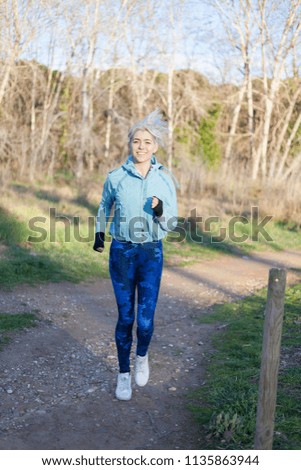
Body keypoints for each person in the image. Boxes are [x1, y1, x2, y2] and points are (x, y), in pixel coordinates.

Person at [93, 109, 178, 401]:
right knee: (125, 317)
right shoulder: (116, 176)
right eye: (136, 141)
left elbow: (172, 222)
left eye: (147, 142)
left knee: (145, 320)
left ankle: (142, 356)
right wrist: (99, 233)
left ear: (155, 147)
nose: (141, 146)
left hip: (151, 253)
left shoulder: (165, 179)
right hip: (122, 252)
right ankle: (123, 374)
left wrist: (159, 210)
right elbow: (104, 206)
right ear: (130, 144)